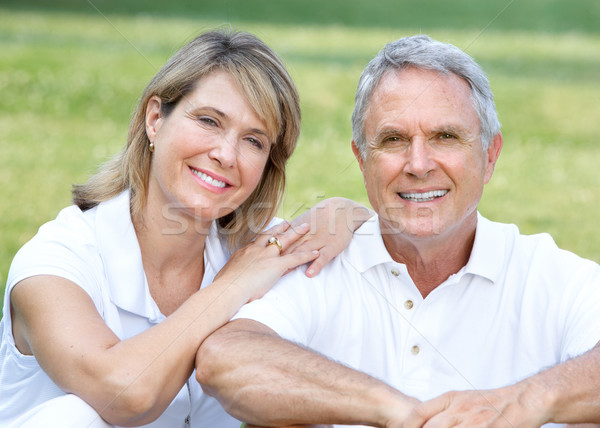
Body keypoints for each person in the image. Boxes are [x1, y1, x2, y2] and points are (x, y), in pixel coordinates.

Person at [196, 35, 600, 427]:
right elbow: (226, 357)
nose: (419, 164)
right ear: (362, 158)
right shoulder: (320, 261)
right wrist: (397, 411)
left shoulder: (550, 276)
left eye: (446, 136)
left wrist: (525, 403)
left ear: (489, 155)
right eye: (393, 139)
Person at [0, 30, 372, 427]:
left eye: (253, 140)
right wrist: (231, 287)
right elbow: (126, 395)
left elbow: (367, 232)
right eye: (209, 121)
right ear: (155, 119)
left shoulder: (254, 249)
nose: (226, 154)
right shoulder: (55, 261)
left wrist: (345, 210)